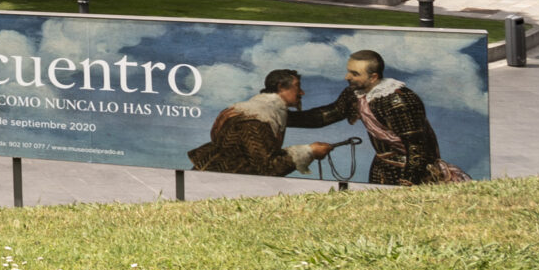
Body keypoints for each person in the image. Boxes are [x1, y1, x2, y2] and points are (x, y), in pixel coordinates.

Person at [288, 49, 467, 186]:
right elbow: (325, 116)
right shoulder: (355, 93)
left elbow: (416, 147)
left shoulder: (399, 100)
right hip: (381, 166)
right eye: (349, 71)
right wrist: (284, 117)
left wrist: (408, 181)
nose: (347, 77)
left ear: (373, 77)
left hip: (412, 169)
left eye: (354, 73)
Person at [187, 69, 338, 177]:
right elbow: (267, 169)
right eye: (297, 86)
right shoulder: (257, 119)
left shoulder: (268, 111)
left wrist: (347, 99)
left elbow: (312, 119)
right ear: (280, 87)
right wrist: (309, 151)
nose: (302, 93)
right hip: (213, 182)